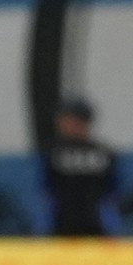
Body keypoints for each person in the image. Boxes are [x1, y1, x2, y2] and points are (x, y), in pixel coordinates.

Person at [41, 98, 120, 236]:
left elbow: (48, 187)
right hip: (69, 225)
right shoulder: (104, 152)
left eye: (67, 120)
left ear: (81, 122)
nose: (61, 124)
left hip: (90, 224)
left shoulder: (55, 152)